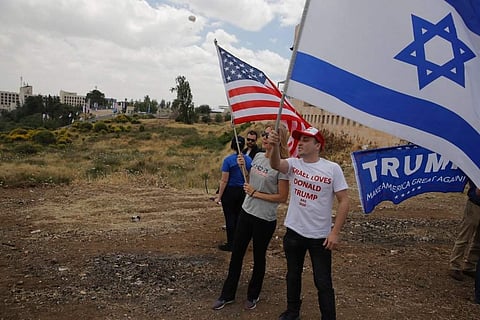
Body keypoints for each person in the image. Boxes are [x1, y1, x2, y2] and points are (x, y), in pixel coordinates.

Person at [269, 126, 350, 320]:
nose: (301, 144)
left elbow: (344, 200)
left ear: (317, 145)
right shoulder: (294, 164)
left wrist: (335, 232)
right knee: (293, 275)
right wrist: (273, 147)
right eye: (300, 140)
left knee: (323, 281)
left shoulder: (332, 168)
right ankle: (292, 311)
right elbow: (275, 165)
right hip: (294, 232)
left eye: (306, 140)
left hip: (320, 237)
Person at [212, 123, 290, 311]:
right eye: (264, 134)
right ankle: (227, 294)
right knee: (236, 254)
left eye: (270, 135)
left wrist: (255, 193)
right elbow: (249, 183)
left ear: (278, 139)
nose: (265, 137)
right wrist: (243, 170)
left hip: (264, 218)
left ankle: (253, 295)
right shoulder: (259, 156)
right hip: (246, 213)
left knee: (258, 257)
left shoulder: (284, 166)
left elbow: (282, 197)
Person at [214, 136, 253, 252]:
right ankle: (239, 243)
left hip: (230, 191)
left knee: (230, 218)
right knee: (239, 218)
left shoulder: (228, 160)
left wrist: (219, 196)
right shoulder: (248, 160)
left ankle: (231, 243)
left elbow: (224, 180)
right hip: (243, 191)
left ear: (232, 146)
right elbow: (249, 177)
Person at [448, 181, 480, 281]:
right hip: (475, 203)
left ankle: (471, 265)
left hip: (476, 201)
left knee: (478, 240)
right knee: (465, 236)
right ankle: (455, 266)